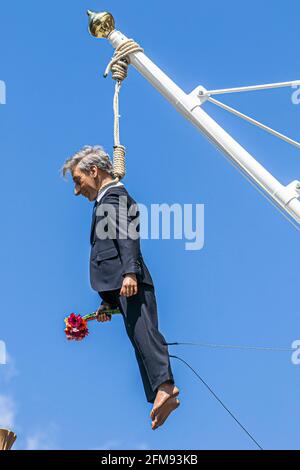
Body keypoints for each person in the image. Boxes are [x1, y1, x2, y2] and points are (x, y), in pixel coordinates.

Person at [62, 145, 180, 430]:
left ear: (94, 171)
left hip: (130, 280)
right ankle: (160, 392)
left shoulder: (113, 196)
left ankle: (165, 387)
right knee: (137, 337)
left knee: (144, 332)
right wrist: (108, 302)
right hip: (120, 286)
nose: (76, 190)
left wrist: (130, 273)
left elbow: (126, 234)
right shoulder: (105, 200)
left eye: (78, 181)